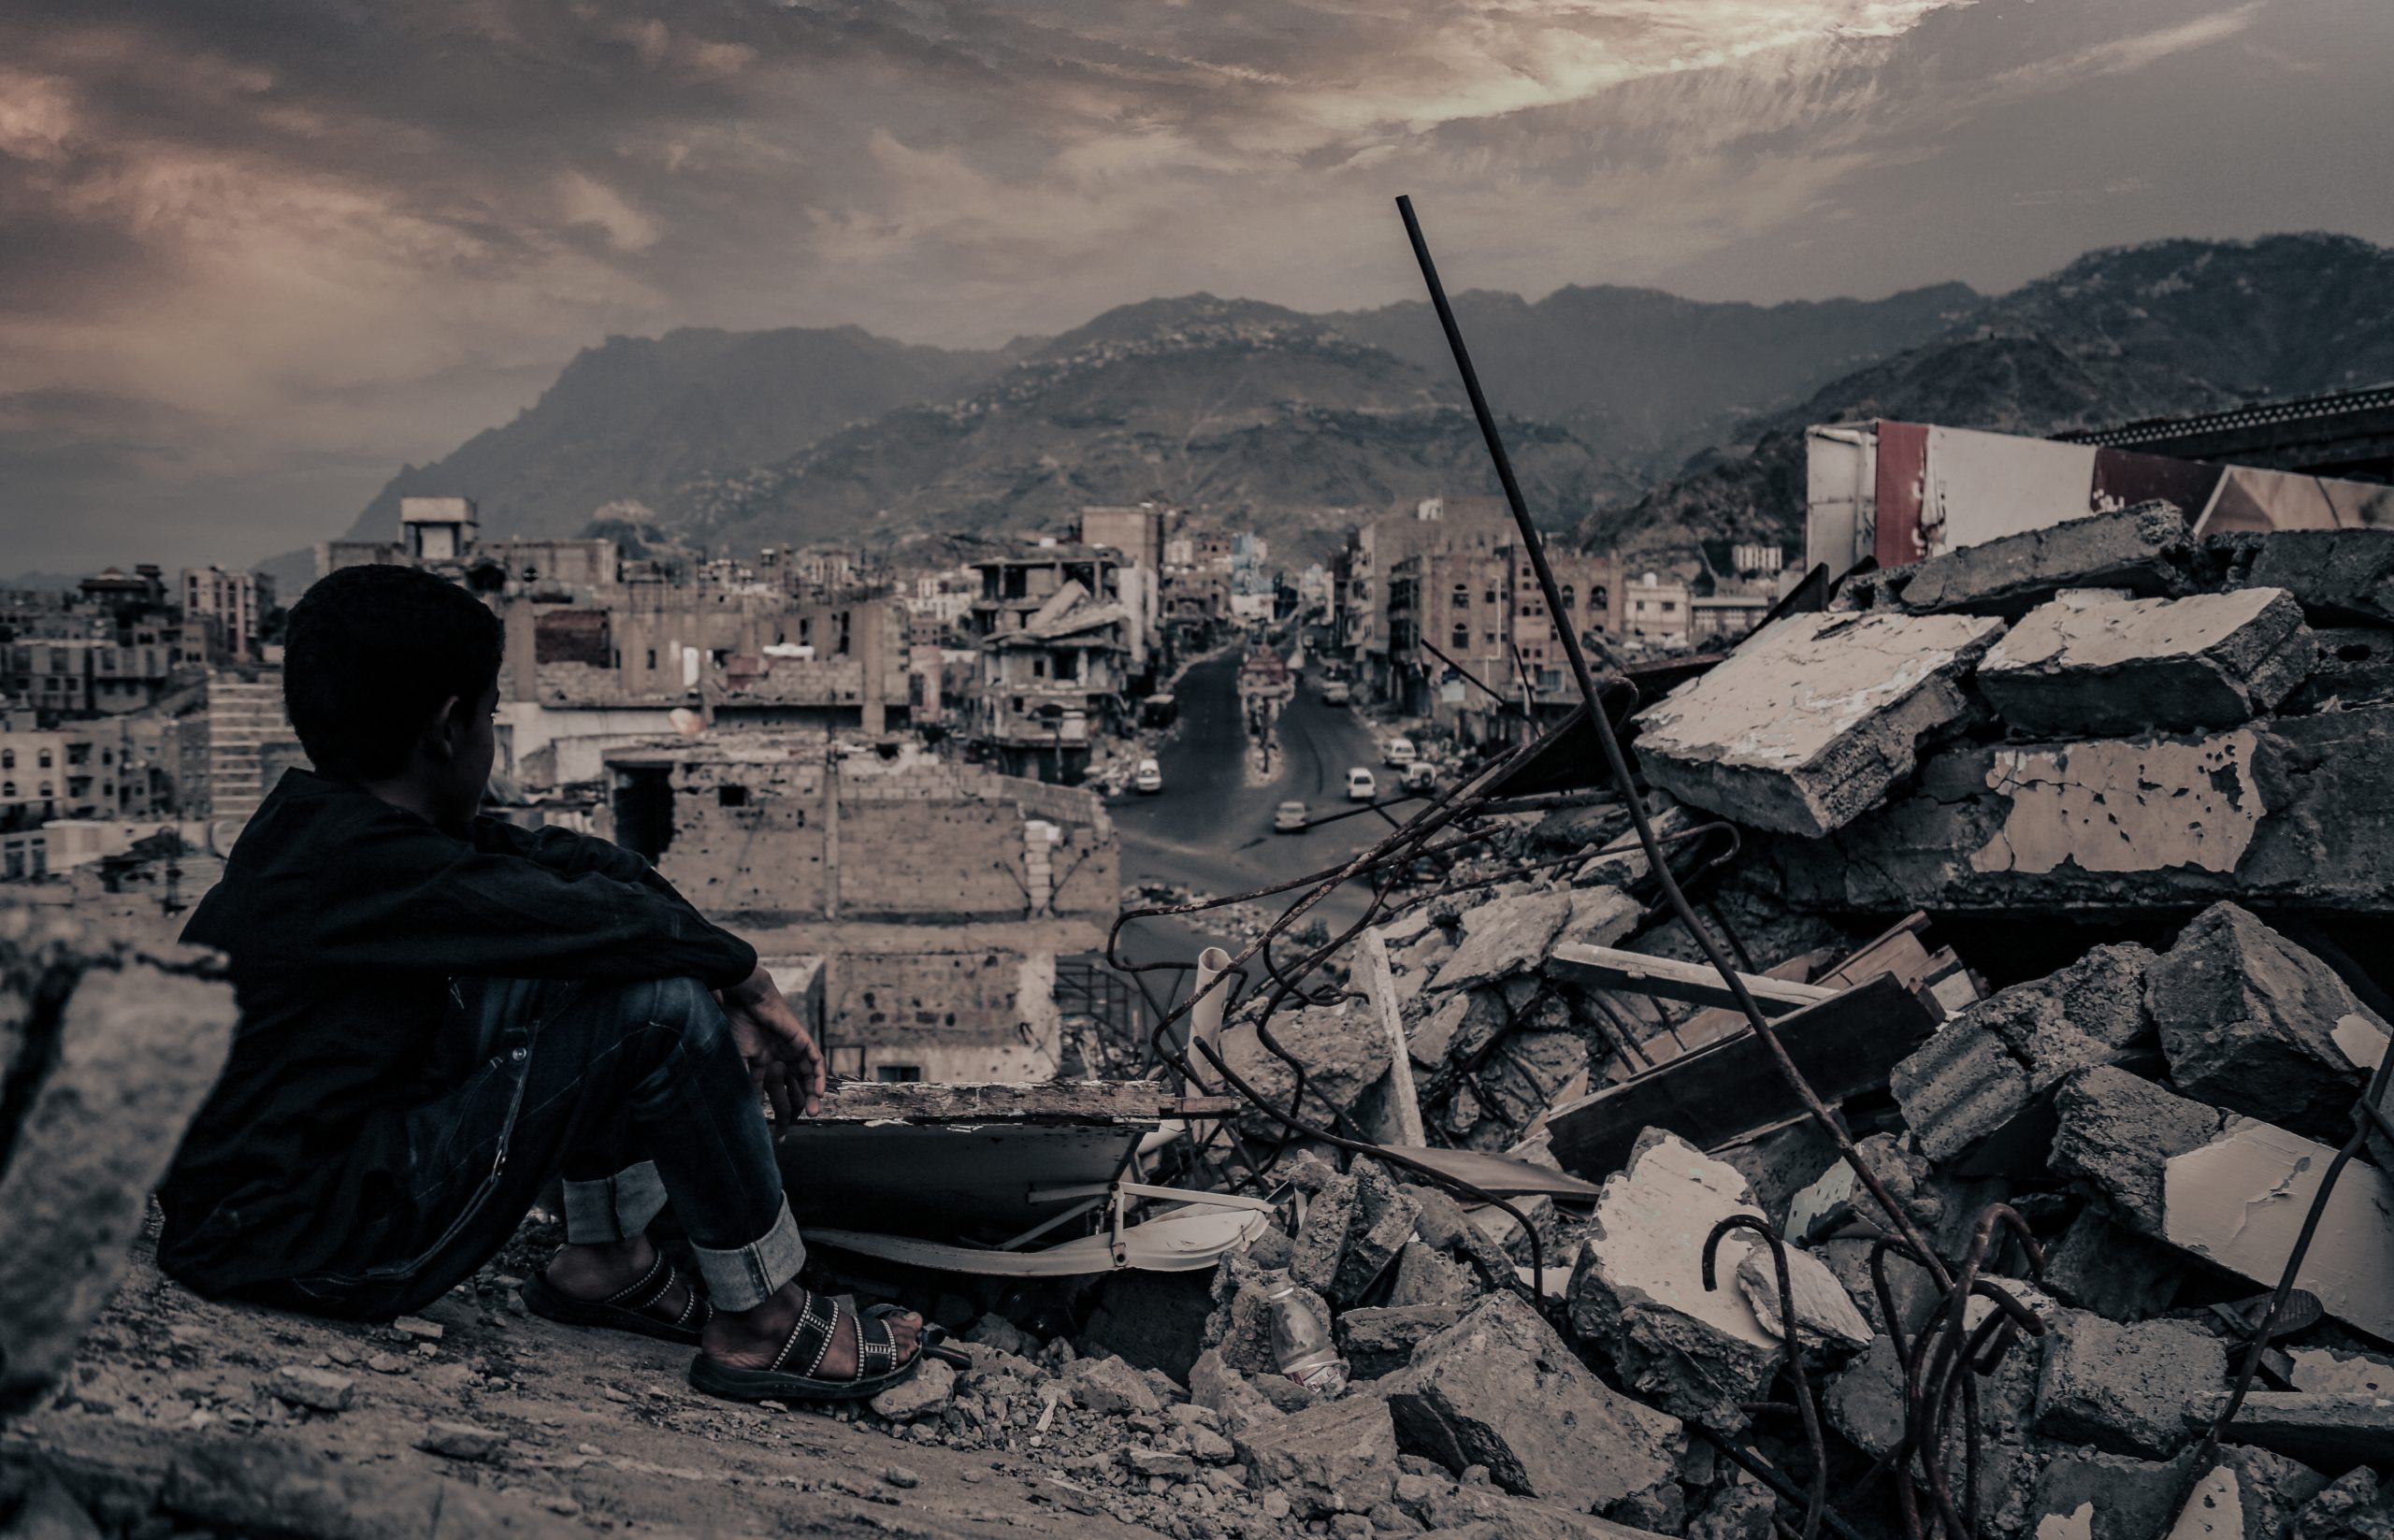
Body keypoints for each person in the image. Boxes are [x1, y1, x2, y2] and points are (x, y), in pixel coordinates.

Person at [156, 564, 921, 1403]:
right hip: (315, 1246)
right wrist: (735, 977)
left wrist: (736, 972)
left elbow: (580, 870)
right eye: (490, 714)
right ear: (451, 727)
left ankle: (604, 1258)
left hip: (283, 1214)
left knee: (611, 967)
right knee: (658, 1009)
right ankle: (765, 1321)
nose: (491, 737)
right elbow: (595, 920)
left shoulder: (341, 833)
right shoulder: (365, 867)